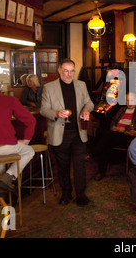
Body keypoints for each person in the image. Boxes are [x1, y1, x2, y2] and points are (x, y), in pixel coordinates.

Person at [40, 58, 94, 206]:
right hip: (59, 133)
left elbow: (90, 103)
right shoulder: (49, 88)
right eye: (66, 71)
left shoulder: (81, 85)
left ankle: (81, 194)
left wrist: (85, 109)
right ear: (59, 71)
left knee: (79, 166)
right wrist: (56, 114)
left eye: (72, 71)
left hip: (78, 133)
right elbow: (43, 109)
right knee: (62, 166)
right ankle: (66, 193)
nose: (69, 74)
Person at [92, 92, 136, 181]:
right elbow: (114, 120)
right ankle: (101, 171)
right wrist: (114, 127)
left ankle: (94, 153)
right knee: (105, 140)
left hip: (127, 137)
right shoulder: (122, 109)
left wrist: (124, 129)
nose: (130, 102)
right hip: (116, 134)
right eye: (127, 100)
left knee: (107, 136)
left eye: (132, 100)